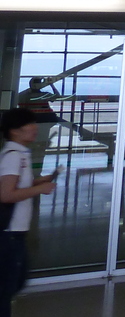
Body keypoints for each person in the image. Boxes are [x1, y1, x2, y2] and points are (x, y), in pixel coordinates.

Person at [0, 108, 57, 317]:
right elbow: (6, 194)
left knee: (15, 281)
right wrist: (38, 189)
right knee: (6, 289)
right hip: (9, 233)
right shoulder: (13, 156)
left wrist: (37, 182)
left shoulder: (20, 153)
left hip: (16, 233)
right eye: (29, 124)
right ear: (15, 131)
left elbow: (15, 184)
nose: (35, 128)